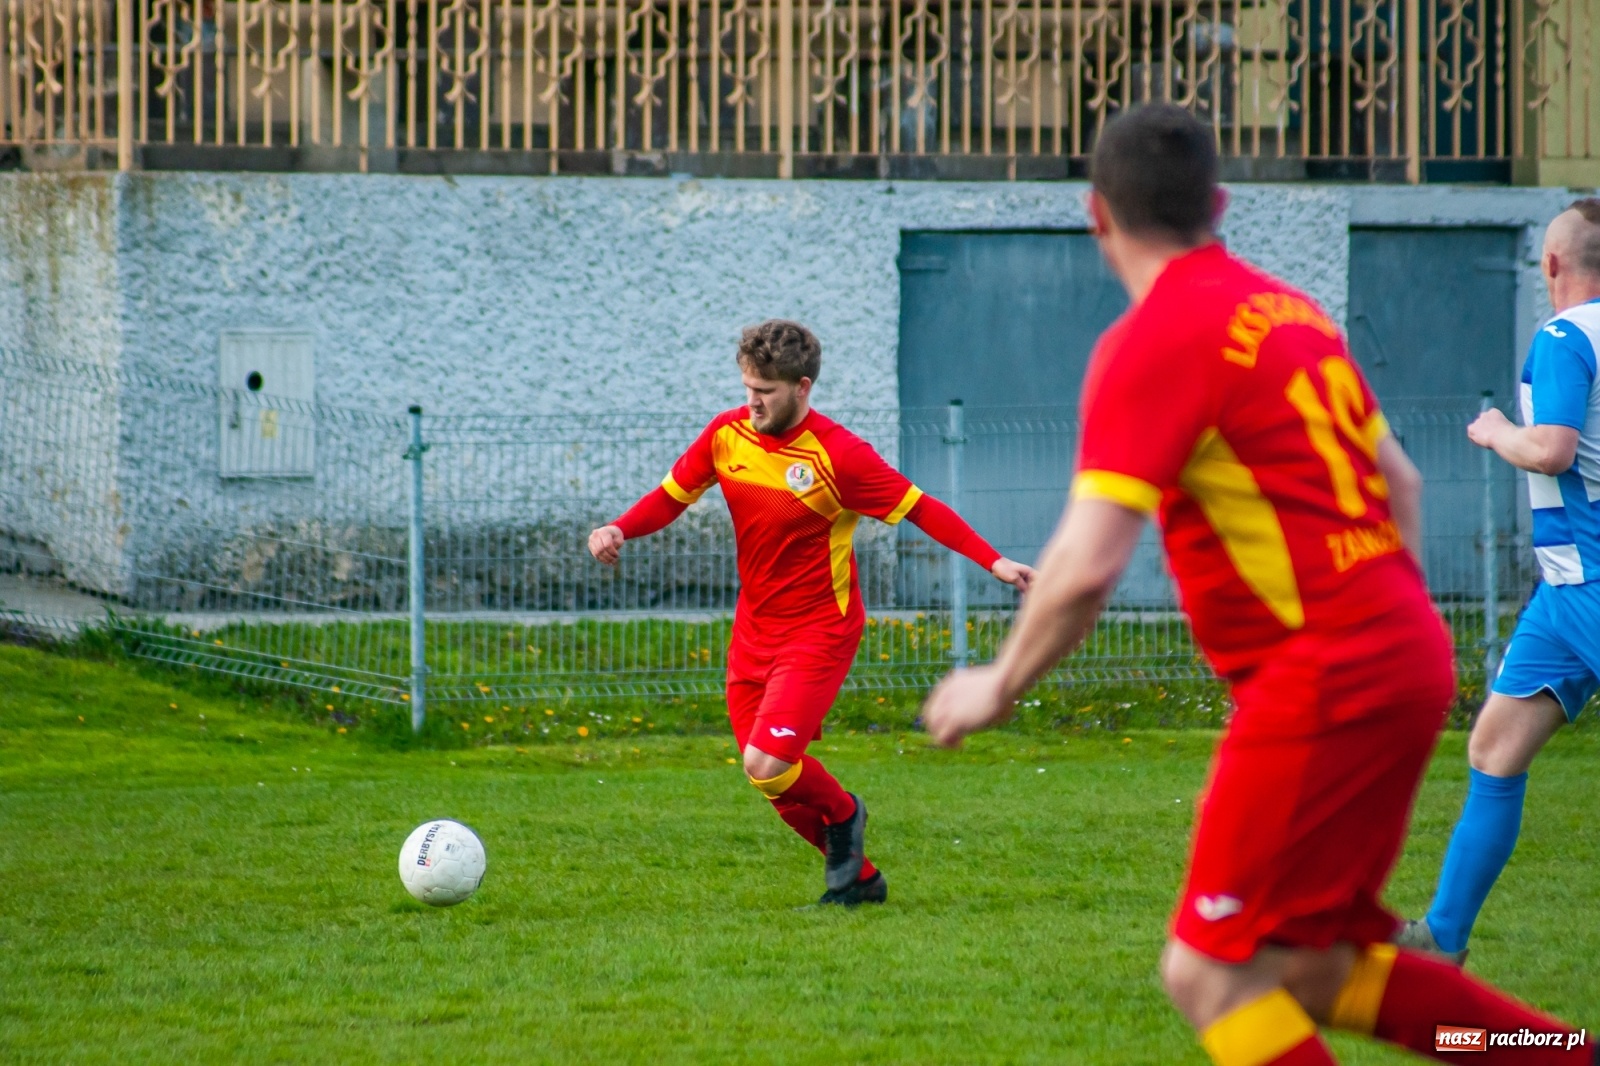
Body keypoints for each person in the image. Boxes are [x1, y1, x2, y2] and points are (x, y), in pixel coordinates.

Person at [921, 104, 1590, 1064]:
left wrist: (998, 680)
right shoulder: (1288, 311)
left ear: (1097, 216)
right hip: (1402, 649)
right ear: (1219, 204)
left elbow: (1085, 565)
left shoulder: (1155, 339)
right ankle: (1557, 1054)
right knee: (1311, 965)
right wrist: (1377, 618)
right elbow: (1400, 480)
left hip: (1326, 675)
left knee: (1209, 973)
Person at [590, 320, 1034, 905]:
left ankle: (847, 812)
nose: (751, 402)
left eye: (765, 392)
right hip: (754, 630)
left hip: (819, 630)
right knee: (767, 779)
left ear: (801, 387)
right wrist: (621, 526)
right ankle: (861, 881)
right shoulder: (727, 436)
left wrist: (994, 561)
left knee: (769, 761)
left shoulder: (840, 456)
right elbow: (671, 497)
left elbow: (921, 509)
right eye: (747, 387)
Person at [1398, 199, 1600, 965]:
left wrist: (1494, 432)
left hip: (1591, 579)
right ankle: (1442, 937)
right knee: (1494, 747)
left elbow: (1550, 450)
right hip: (1563, 590)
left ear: (1551, 265)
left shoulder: (1562, 336)